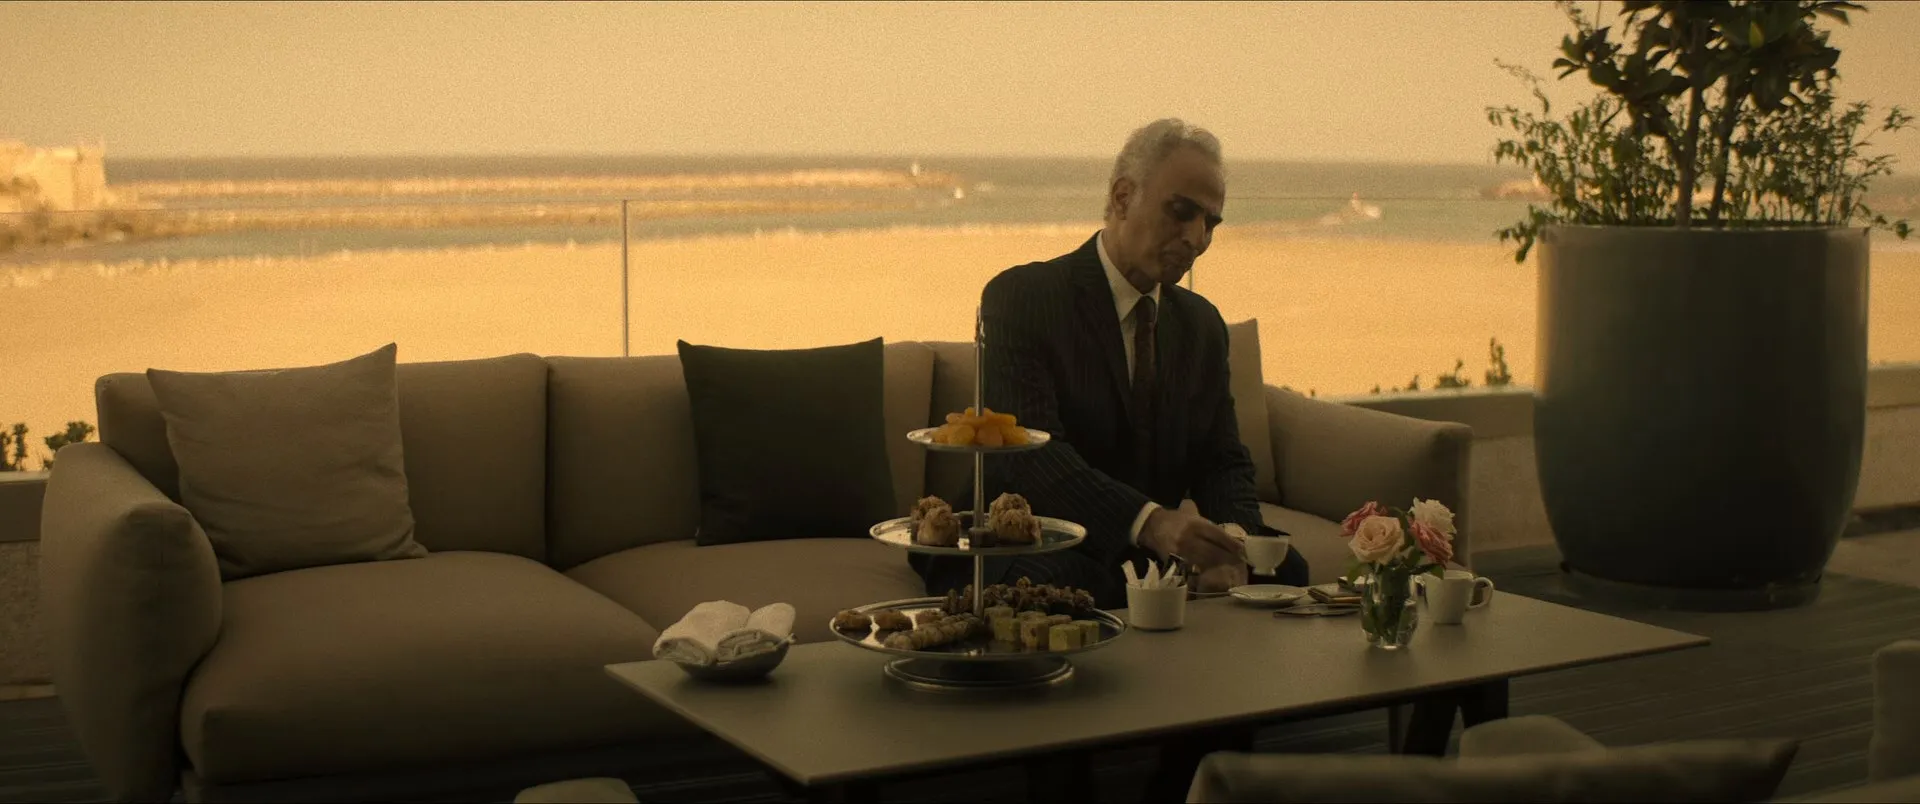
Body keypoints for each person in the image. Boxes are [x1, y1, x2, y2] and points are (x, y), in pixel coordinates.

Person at [913, 118, 1309, 608]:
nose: (1197, 237)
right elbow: (1032, 454)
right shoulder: (1023, 297)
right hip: (1028, 539)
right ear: (1123, 197)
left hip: (1144, 551)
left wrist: (1233, 544)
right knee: (1076, 588)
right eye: (1182, 211)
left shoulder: (1201, 324)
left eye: (1210, 222)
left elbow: (1221, 459)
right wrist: (1151, 523)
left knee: (1286, 569)